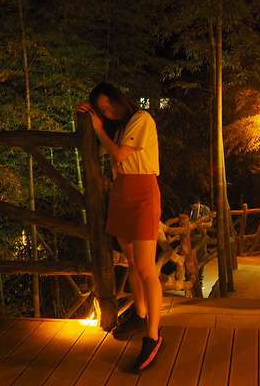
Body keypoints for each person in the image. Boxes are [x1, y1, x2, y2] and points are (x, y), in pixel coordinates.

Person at [76, 82, 163, 372]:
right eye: (102, 110)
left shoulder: (142, 119)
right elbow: (108, 153)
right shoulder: (121, 128)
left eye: (109, 104)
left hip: (143, 191)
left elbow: (121, 155)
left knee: (147, 268)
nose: (108, 111)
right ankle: (140, 313)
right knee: (132, 261)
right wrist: (86, 119)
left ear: (118, 98)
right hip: (122, 191)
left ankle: (153, 336)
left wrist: (99, 128)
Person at [181, 194, 211, 284]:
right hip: (189, 238)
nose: (193, 208)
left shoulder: (204, 209)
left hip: (200, 237)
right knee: (188, 259)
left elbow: (209, 224)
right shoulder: (187, 209)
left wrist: (197, 224)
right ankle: (188, 279)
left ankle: (200, 281)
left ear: (199, 203)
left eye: (195, 207)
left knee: (201, 260)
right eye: (192, 207)